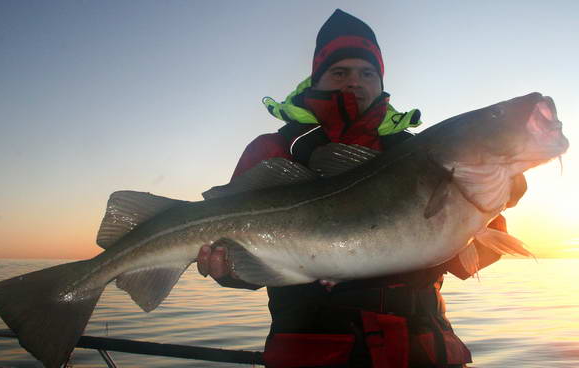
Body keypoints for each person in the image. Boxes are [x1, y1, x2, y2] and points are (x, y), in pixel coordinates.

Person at [197, 9, 508, 368]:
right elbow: (240, 256)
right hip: (316, 351)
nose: (354, 82)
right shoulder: (275, 150)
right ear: (317, 78)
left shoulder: (421, 153)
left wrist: (497, 200)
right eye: (339, 71)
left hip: (422, 351)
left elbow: (469, 264)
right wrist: (230, 271)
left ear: (380, 81)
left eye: (367, 72)